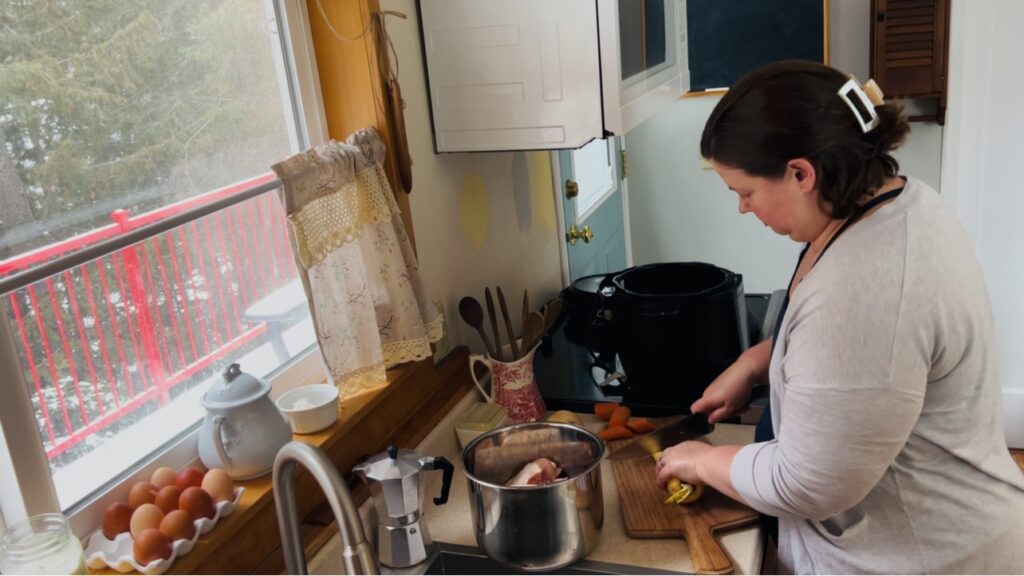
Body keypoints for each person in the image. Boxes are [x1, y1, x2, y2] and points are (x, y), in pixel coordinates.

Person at [654, 60, 1024, 574]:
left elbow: (807, 482)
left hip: (923, 556)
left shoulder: (865, 284)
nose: (742, 208)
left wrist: (701, 459)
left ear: (801, 173)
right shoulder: (895, 204)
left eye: (745, 192)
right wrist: (758, 363)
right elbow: (872, 360)